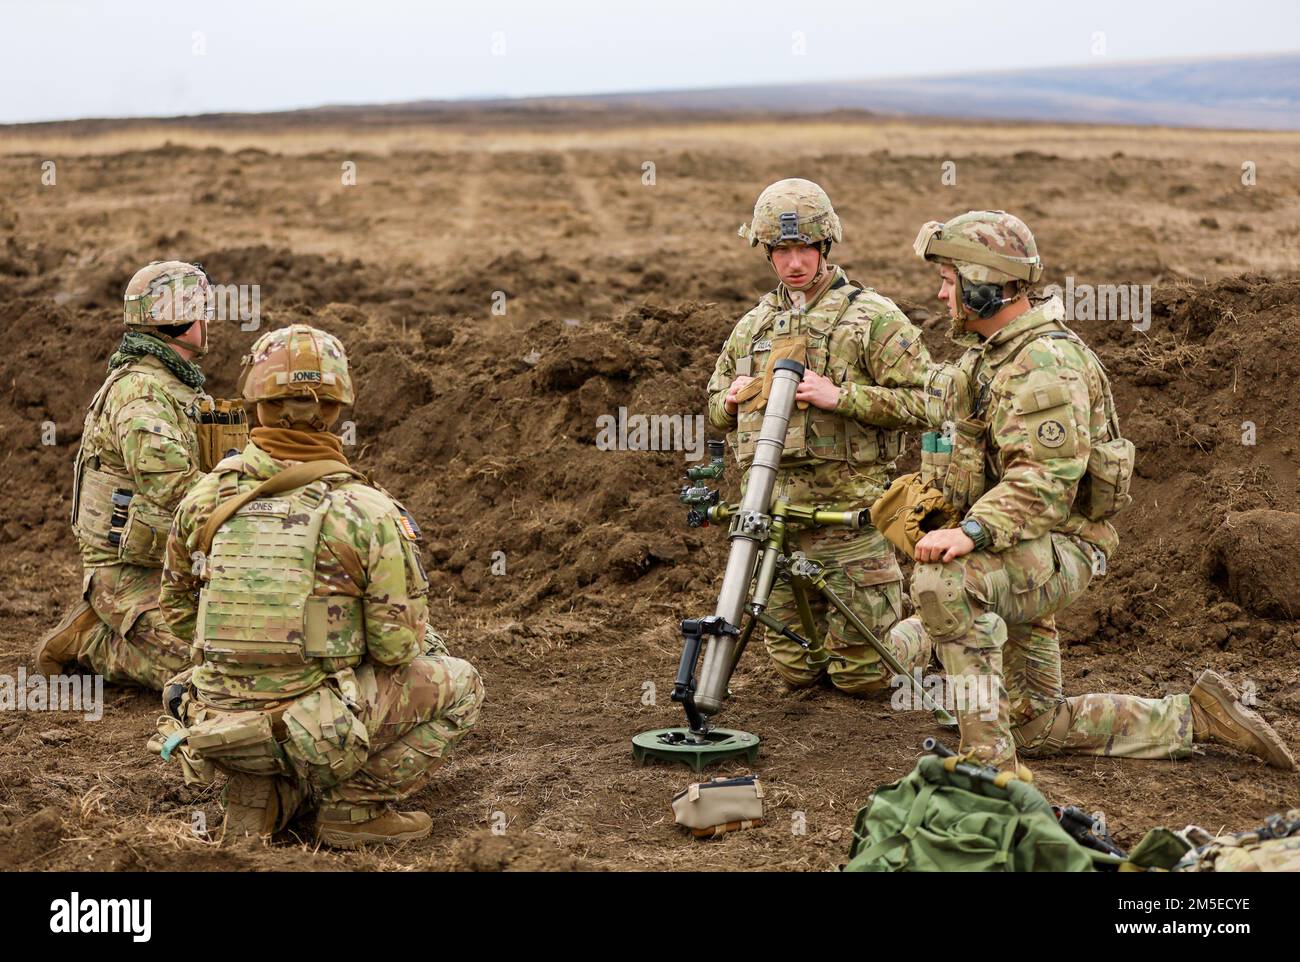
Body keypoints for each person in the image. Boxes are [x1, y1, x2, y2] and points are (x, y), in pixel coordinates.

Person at [906, 210, 1293, 772]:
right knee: (1034, 722)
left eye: (950, 282)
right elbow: (943, 420)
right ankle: (1195, 718)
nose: (942, 295)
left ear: (984, 285)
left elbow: (1043, 482)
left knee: (944, 584)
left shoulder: (1043, 365)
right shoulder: (992, 357)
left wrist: (970, 532)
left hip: (1061, 545)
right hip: (1021, 544)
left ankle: (989, 771)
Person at [157, 324, 484, 846]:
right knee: (461, 684)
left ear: (255, 402)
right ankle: (353, 808)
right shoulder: (365, 510)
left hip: (217, 722)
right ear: (335, 411)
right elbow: (395, 645)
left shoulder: (205, 497)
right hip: (313, 730)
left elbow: (176, 613)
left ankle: (267, 788)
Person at [706, 178, 955, 695]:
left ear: (824, 247)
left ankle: (933, 627)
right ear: (766, 253)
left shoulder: (872, 318)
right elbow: (713, 410)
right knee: (797, 674)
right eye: (781, 251)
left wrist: (841, 397)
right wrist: (729, 402)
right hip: (775, 522)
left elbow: (931, 402)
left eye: (804, 249)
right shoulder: (751, 327)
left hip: (851, 522)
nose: (794, 263)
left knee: (865, 679)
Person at [34, 261, 215, 690]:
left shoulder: (178, 384)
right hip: (130, 576)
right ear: (175, 318)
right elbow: (173, 488)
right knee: (210, 671)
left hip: (174, 567)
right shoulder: (141, 392)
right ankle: (93, 640)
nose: (207, 320)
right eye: (199, 308)